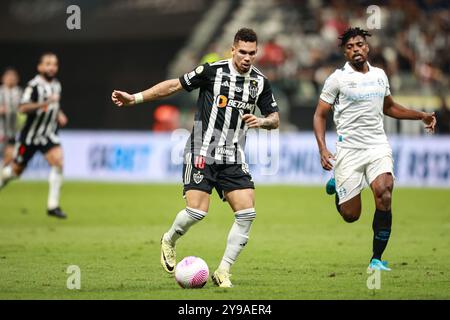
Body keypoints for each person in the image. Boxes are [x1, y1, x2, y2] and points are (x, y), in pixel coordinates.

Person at [112, 28, 279, 287]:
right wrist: (135, 98)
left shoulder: (260, 82)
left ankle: (223, 270)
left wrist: (263, 121)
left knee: (247, 214)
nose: (247, 58)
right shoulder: (212, 71)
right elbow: (173, 86)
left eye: (252, 53)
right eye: (243, 52)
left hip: (234, 155)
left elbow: (274, 118)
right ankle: (169, 239)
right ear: (233, 49)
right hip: (203, 148)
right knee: (197, 212)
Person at [313, 27, 436, 271]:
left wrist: (421, 115)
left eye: (359, 44)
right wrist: (323, 149)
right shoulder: (337, 79)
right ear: (345, 53)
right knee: (351, 215)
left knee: (384, 192)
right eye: (350, 47)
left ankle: (376, 259)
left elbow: (389, 107)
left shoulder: (380, 75)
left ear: (367, 47)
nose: (356, 49)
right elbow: (320, 115)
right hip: (349, 150)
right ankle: (339, 186)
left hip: (377, 146)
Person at [0, 53, 69, 219]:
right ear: (40, 67)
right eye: (48, 64)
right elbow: (23, 108)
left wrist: (59, 113)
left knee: (59, 162)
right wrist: (44, 103)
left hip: (48, 135)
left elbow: (53, 104)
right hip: (29, 138)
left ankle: (53, 206)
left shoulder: (57, 85)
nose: (51, 67)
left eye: (54, 64)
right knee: (15, 171)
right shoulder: (33, 86)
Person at [0, 67, 22, 166]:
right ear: (3, 79)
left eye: (13, 77)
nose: (11, 79)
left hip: (13, 132)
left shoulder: (20, 93)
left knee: (13, 154)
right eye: (8, 77)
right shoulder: (1, 92)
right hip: (1, 130)